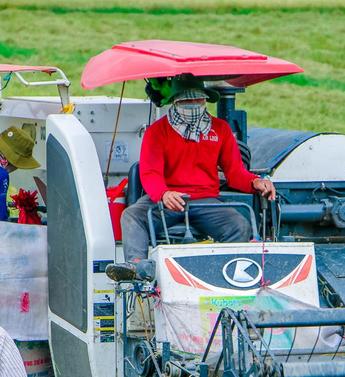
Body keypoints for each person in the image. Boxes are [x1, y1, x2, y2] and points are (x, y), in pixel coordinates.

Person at [110, 77, 275, 280]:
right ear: (176, 102)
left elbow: (234, 173)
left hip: (205, 200)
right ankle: (137, 268)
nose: (195, 106)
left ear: (206, 101)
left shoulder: (220, 129)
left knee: (239, 224)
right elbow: (150, 173)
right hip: (167, 200)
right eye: (187, 102)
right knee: (132, 215)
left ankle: (230, 275)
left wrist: (255, 181)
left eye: (199, 101)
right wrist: (164, 193)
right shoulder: (157, 131)